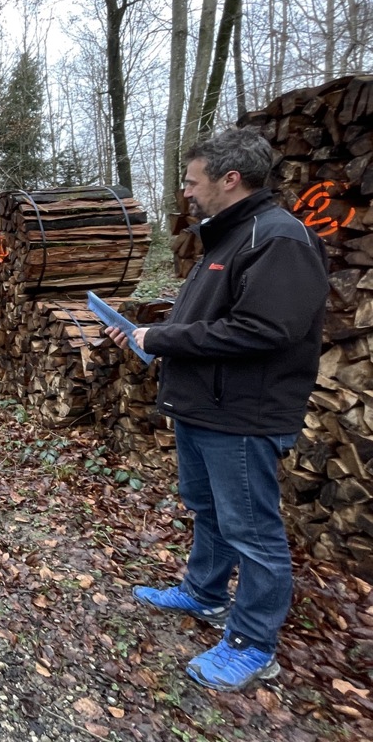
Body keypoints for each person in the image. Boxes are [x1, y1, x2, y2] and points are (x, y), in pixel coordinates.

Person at [105, 127, 328, 693]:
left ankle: (253, 643)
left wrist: (164, 340)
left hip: (245, 415)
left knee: (253, 532)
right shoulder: (227, 239)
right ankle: (204, 594)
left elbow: (265, 329)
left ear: (230, 179)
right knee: (208, 508)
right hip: (204, 406)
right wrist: (145, 336)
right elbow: (206, 324)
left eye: (191, 180)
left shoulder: (279, 239)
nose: (185, 191)